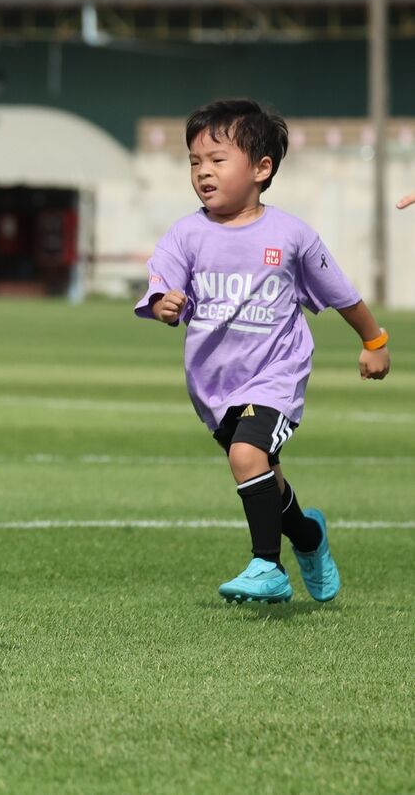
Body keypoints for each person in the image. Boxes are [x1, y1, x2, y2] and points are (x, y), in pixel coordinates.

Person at [136, 99, 390, 604]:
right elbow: (162, 281)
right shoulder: (186, 234)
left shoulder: (290, 236)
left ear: (261, 168)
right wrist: (164, 302)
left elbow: (342, 294)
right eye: (194, 161)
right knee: (263, 475)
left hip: (275, 374)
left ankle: (267, 567)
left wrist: (374, 342)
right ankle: (309, 537)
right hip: (213, 387)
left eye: (217, 159)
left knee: (247, 454)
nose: (203, 172)